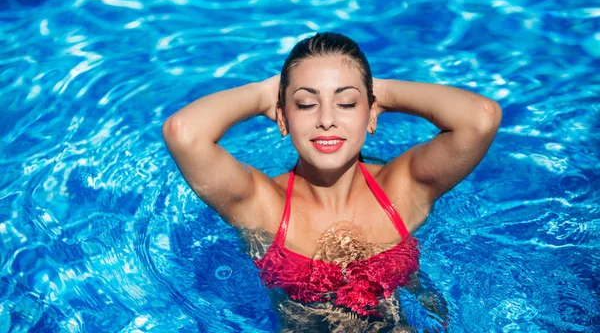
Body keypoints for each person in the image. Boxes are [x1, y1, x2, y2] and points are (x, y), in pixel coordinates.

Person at [162, 32, 502, 331]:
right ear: (283, 117)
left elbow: (480, 118)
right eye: (306, 103)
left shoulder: (400, 190)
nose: (327, 119)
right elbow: (185, 133)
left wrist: (377, 91)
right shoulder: (264, 207)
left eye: (347, 102)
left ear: (370, 113)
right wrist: (264, 93)